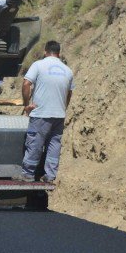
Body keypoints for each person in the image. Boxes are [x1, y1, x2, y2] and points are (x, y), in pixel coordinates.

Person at [15, 40, 74, 184]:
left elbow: (26, 83)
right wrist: (63, 107)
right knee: (54, 145)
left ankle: (28, 174)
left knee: (35, 142)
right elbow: (69, 92)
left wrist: (26, 105)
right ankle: (50, 175)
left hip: (41, 114)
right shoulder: (68, 70)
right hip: (59, 115)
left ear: (45, 52)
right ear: (59, 54)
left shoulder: (38, 65)